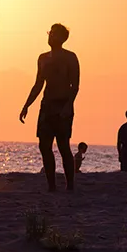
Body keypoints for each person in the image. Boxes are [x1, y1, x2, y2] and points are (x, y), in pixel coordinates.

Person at [20, 23, 80, 191]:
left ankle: (70, 186)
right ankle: (51, 186)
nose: (50, 36)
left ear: (62, 38)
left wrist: (69, 105)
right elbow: (38, 84)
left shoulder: (70, 58)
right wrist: (26, 105)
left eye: (54, 34)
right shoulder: (43, 58)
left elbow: (74, 85)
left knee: (63, 146)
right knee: (44, 146)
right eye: (50, 33)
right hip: (46, 106)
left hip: (63, 105)